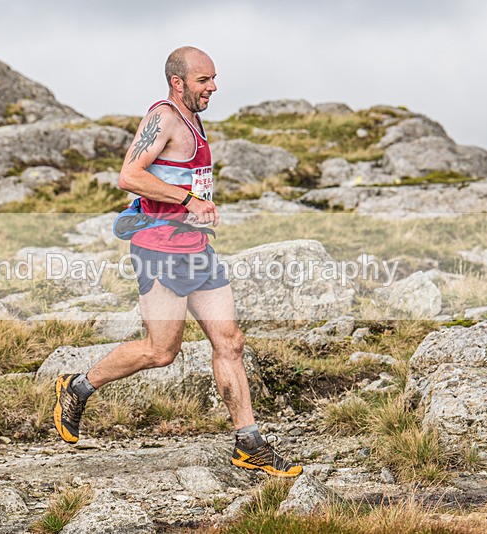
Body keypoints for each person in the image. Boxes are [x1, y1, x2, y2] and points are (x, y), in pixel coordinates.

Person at [53, 46, 302, 477]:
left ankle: (249, 443)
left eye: (214, 78)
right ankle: (77, 386)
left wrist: (200, 208)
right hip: (159, 249)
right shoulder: (164, 117)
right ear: (178, 82)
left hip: (196, 248)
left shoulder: (193, 117)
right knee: (160, 351)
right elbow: (129, 176)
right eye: (204, 80)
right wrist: (189, 199)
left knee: (230, 341)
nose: (213, 87)